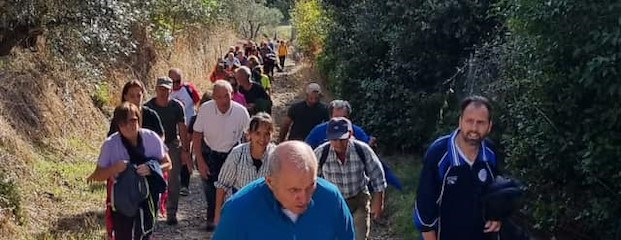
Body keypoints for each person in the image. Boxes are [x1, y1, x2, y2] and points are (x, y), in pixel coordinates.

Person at [212, 141, 355, 240]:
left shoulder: (332, 199)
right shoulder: (238, 211)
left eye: (310, 186)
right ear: (270, 182)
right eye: (294, 190)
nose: (305, 198)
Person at [413, 95, 501, 240]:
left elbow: (496, 192)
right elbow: (424, 206)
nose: (474, 128)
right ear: (460, 122)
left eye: (480, 123)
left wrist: (497, 215)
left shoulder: (491, 152)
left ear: (489, 126)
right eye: (469, 121)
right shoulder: (439, 153)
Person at [88, 102, 171, 240]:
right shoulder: (111, 144)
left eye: (133, 120)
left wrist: (152, 169)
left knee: (145, 233)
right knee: (123, 235)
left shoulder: (151, 137)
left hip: (148, 196)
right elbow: (97, 175)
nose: (129, 125)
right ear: (118, 124)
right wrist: (114, 168)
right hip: (122, 198)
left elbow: (168, 164)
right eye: (123, 122)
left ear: (139, 119)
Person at [314, 117, 387, 240]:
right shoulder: (321, 153)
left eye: (342, 139)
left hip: (358, 200)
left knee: (358, 237)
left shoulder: (362, 150)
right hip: (332, 204)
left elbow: (377, 175)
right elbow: (310, 179)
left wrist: (378, 201)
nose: (338, 143)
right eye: (334, 139)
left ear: (350, 135)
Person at [193, 80, 250, 231]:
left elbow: (248, 137)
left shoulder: (241, 112)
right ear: (214, 98)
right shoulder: (205, 110)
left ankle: (232, 223)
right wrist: (199, 160)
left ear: (232, 95)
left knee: (233, 191)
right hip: (210, 153)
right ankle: (213, 223)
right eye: (219, 97)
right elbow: (197, 135)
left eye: (226, 96)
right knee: (211, 191)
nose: (224, 100)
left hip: (233, 153)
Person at [213, 112, 276, 225]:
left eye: (267, 134)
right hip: (239, 209)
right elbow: (222, 185)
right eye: (258, 133)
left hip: (265, 212)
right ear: (249, 134)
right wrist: (218, 215)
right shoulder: (238, 153)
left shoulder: (276, 155)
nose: (262, 138)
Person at [144, 76, 191, 225]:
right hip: (152, 146)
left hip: (171, 144)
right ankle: (152, 212)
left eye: (167, 89)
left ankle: (171, 212)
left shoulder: (177, 106)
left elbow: (182, 128)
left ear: (171, 90)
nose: (163, 92)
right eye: (161, 89)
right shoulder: (148, 108)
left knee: (173, 180)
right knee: (152, 177)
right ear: (156, 89)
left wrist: (185, 150)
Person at [169, 68, 201, 196]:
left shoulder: (189, 89)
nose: (176, 84)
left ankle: (184, 185)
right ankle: (172, 183)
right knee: (173, 156)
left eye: (178, 81)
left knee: (186, 154)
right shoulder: (167, 91)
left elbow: (198, 101)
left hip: (188, 127)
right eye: (173, 82)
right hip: (172, 129)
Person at [305, 100, 373, 149]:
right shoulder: (318, 131)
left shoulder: (357, 131)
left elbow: (367, 146)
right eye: (337, 117)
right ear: (330, 117)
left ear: (348, 117)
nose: (340, 121)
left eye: (343, 117)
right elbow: (306, 149)